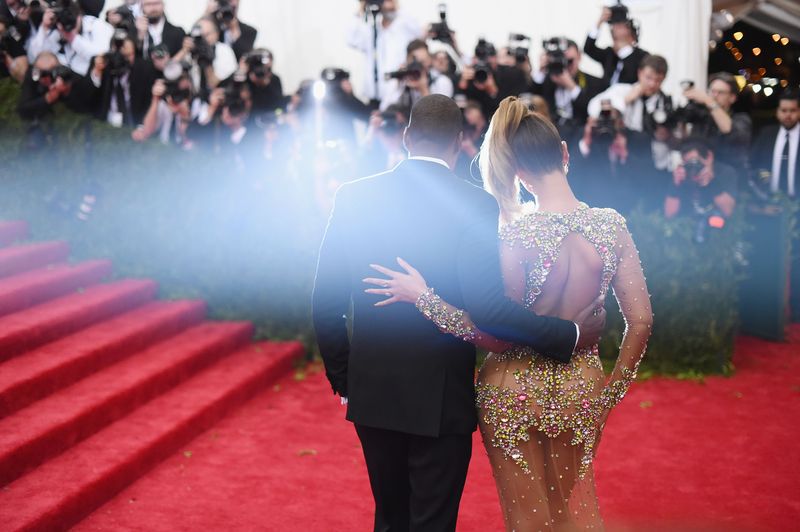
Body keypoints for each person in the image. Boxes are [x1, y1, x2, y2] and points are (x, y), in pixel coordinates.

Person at [313, 94, 607, 532]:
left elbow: (326, 303)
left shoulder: (354, 196)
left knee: (390, 519)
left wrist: (346, 380)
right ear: (460, 140)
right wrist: (564, 334)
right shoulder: (474, 204)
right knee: (432, 522)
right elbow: (489, 311)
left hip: (373, 391)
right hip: (440, 396)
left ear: (408, 136)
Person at [751, 90, 800, 321]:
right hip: (769, 208)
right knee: (769, 256)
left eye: (792, 111)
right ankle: (769, 311)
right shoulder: (767, 134)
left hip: (798, 206)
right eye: (784, 111)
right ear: (777, 112)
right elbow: (753, 164)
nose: (788, 115)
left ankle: (796, 310)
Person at [346, 0, 422, 107]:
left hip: (398, 99)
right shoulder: (372, 30)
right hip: (374, 99)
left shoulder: (403, 27)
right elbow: (351, 39)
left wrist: (395, 6)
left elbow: (419, 32)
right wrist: (362, 7)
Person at [531, 38, 605, 143]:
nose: (565, 65)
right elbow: (528, 98)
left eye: (569, 61)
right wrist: (541, 71)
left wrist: (571, 86)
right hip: (549, 137)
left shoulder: (594, 82)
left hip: (579, 137)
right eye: (561, 60)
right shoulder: (545, 81)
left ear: (579, 57)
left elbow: (594, 110)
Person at [681, 72, 752, 175]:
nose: (714, 96)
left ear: (732, 97)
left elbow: (729, 130)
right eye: (712, 91)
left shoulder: (741, 119)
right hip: (700, 178)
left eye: (721, 92)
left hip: (729, 180)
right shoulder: (702, 117)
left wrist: (708, 100)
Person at [27, 1, 113, 76]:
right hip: (66, 85)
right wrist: (44, 27)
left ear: (79, 15)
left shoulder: (97, 26)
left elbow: (102, 58)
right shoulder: (59, 29)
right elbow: (34, 58)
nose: (68, 24)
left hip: (93, 83)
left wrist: (73, 39)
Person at [665, 137, 738, 220]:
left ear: (709, 157)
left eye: (696, 163)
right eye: (689, 165)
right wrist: (676, 186)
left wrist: (712, 183)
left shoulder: (725, 172)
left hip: (716, 225)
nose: (693, 169)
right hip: (688, 224)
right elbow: (669, 214)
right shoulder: (682, 174)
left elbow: (728, 212)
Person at [17, 51, 98, 120]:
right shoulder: (33, 75)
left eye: (44, 74)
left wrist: (67, 92)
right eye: (37, 72)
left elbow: (87, 108)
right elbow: (23, 110)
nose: (41, 79)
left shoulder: (70, 77)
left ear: (55, 71)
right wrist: (47, 99)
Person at [583, 4, 648, 88]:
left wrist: (624, 50)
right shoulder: (609, 54)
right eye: (613, 25)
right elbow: (588, 48)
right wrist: (599, 22)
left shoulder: (642, 56)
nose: (615, 28)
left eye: (621, 26)